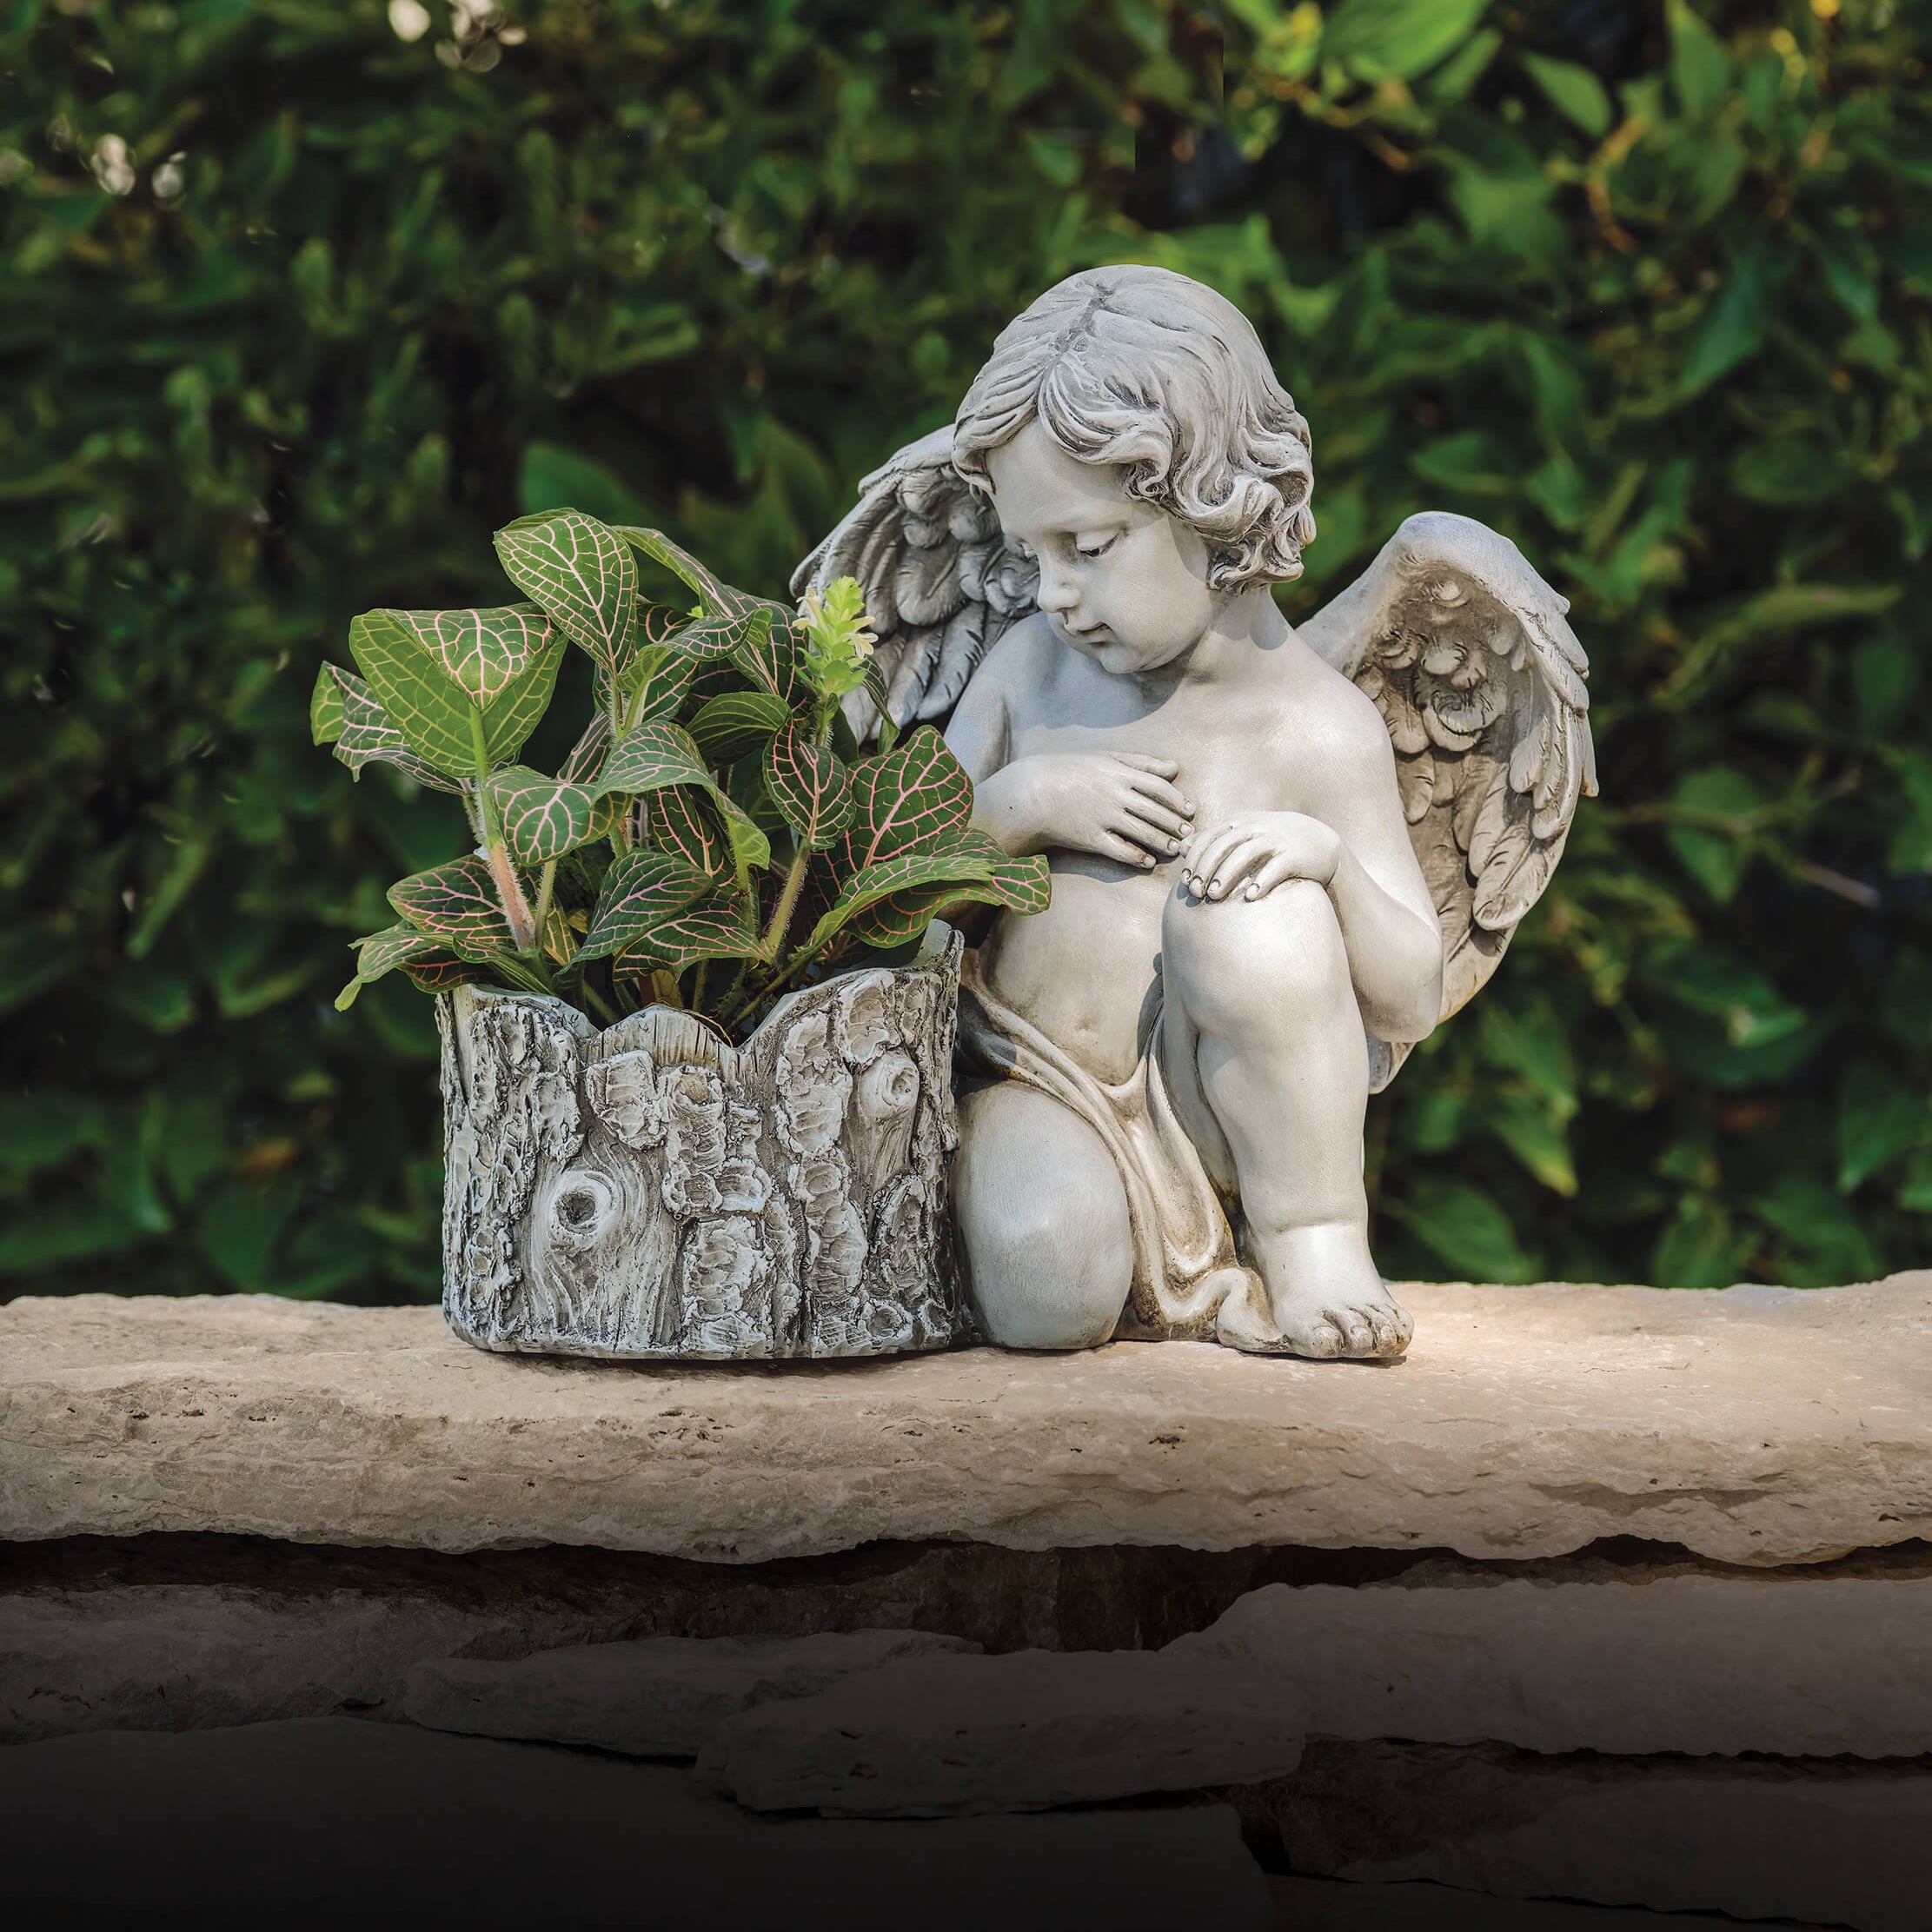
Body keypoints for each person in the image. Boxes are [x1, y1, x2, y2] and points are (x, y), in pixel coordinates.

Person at [942, 266, 1444, 1359]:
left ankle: (1311, 1242)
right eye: (1032, 554)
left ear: (1212, 507)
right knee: (1047, 1291)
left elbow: (1409, 995)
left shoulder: (1319, 727)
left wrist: (1324, 862)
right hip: (1041, 1080)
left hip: (1220, 1114)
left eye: (1087, 546)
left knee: (1256, 915)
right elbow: (901, 893)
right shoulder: (1026, 673)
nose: (1052, 592)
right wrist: (1018, 806)